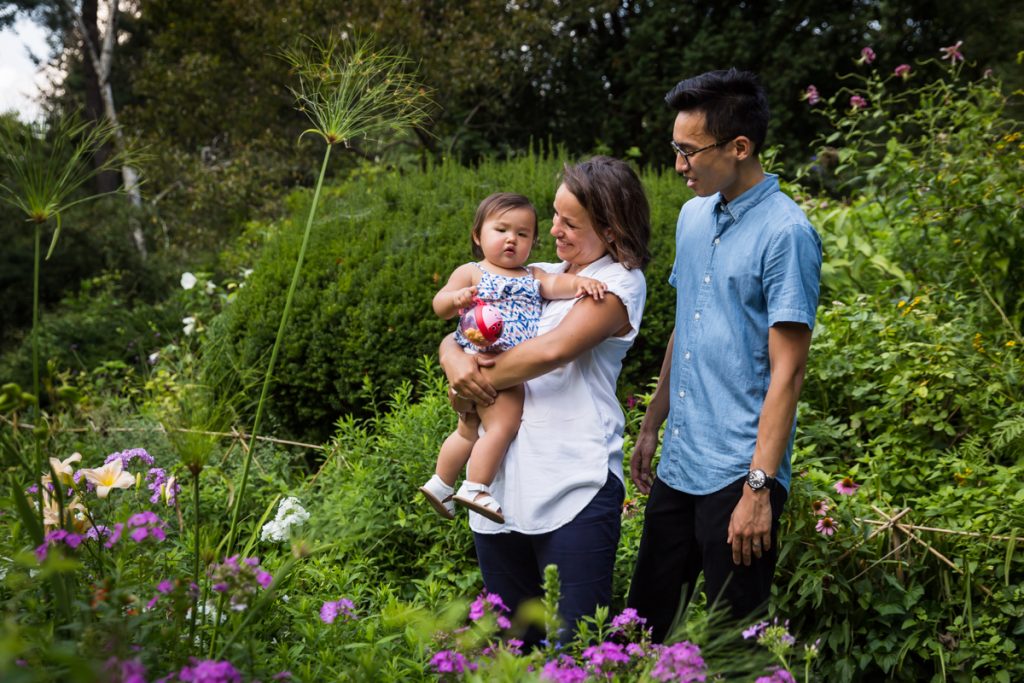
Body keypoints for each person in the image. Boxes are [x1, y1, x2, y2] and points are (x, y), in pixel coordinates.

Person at [626, 68, 822, 642]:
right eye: (675, 149)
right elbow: (686, 328)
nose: (679, 165)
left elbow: (789, 372)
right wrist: (651, 424)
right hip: (682, 461)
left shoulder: (787, 233)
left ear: (740, 147)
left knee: (736, 647)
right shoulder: (692, 217)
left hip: (739, 473)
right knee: (635, 631)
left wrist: (758, 489)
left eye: (689, 152)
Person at [440, 157, 651, 642]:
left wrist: (468, 370)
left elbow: (551, 351)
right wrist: (452, 357)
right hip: (501, 490)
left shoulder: (617, 283)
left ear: (612, 228)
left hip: (573, 484)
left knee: (573, 651)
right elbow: (463, 330)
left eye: (570, 222)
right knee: (515, 651)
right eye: (554, 215)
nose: (552, 230)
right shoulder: (538, 273)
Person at [420, 192, 608, 524]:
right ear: (478, 235)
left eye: (522, 234)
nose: (512, 239)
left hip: (494, 368)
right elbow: (439, 305)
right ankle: (475, 486)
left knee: (468, 431)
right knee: (501, 428)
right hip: (492, 364)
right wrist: (456, 298)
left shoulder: (533, 276)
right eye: (501, 230)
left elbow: (556, 283)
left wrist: (582, 283)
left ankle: (440, 484)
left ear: (532, 243)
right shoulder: (472, 272)